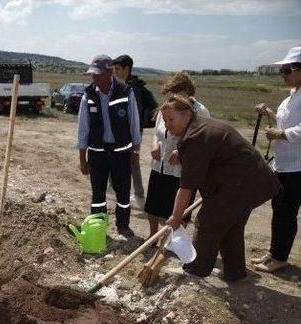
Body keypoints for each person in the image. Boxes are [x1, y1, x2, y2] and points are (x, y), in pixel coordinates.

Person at [163, 95, 280, 281]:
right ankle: (235, 273)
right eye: (164, 120)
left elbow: (186, 188)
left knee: (208, 221)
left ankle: (195, 271)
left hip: (241, 185)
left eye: (171, 119)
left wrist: (176, 218)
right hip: (253, 182)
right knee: (231, 226)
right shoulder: (199, 127)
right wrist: (181, 151)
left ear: (187, 115)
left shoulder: (195, 137)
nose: (167, 124)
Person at [77, 54, 142, 237]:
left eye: (98, 74)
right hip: (97, 154)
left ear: (110, 72)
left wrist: (135, 150)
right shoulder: (88, 95)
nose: (94, 78)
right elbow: (83, 129)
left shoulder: (125, 91)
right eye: (92, 74)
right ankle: (98, 226)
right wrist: (83, 158)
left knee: (123, 192)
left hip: (121, 152)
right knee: (98, 193)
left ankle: (123, 225)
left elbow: (134, 124)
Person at [251, 46, 301, 273]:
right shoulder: (292, 97)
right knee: (278, 208)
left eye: (287, 70)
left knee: (286, 212)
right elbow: (285, 121)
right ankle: (274, 252)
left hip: (297, 167)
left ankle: (280, 257)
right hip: (283, 164)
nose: (283, 74)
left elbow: (296, 130)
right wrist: (269, 113)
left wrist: (280, 134)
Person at [145, 72, 210, 236]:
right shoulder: (167, 107)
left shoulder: (200, 111)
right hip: (160, 165)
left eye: (177, 92)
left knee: (176, 208)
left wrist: (181, 151)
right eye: (171, 93)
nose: (173, 96)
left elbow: (202, 140)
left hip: (181, 170)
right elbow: (157, 131)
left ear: (187, 92)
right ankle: (153, 237)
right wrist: (154, 145)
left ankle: (170, 242)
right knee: (153, 204)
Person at [112, 54, 158, 207]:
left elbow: (134, 116)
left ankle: (138, 195)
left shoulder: (134, 89)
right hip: (119, 132)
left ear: (127, 69)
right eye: (114, 69)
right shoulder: (121, 86)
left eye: (118, 69)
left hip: (131, 133)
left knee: (133, 162)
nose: (115, 72)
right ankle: (115, 191)